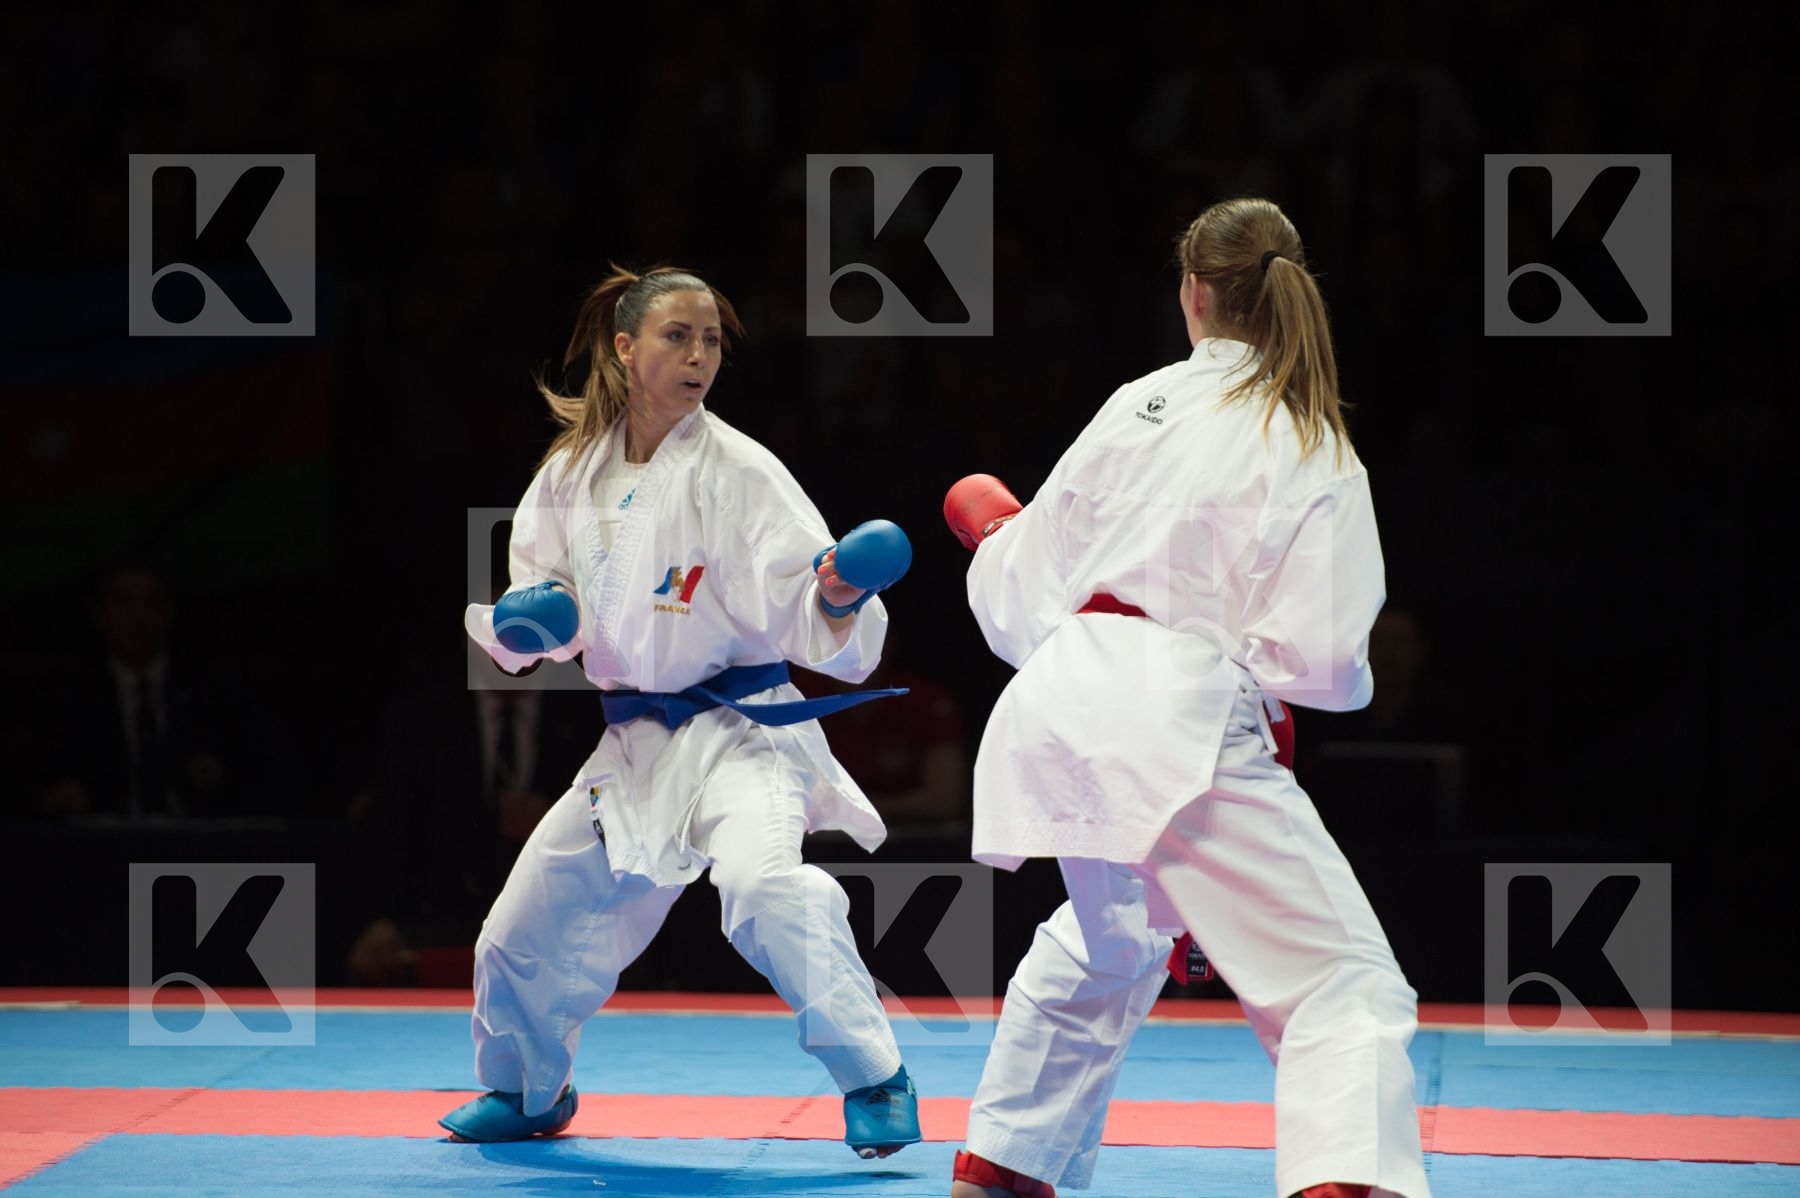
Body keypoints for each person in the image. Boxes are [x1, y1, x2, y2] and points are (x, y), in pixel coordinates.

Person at [942, 199, 1430, 1198]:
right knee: (1342, 984)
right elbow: (1327, 663)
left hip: (1064, 704)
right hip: (1171, 716)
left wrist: (993, 537)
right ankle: (1348, 1185)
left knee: (1112, 937)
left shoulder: (1136, 402)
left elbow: (1022, 595)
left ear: (1193, 294)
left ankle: (1002, 1163)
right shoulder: (1312, 437)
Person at [440, 265, 921, 1159]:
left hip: (742, 735)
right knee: (519, 927)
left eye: (710, 340)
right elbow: (539, 610)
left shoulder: (740, 469)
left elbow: (807, 603)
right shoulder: (570, 470)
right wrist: (532, 619)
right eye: (677, 336)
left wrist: (842, 592)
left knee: (764, 888)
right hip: (632, 746)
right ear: (625, 349)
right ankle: (526, 1088)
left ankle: (876, 1076)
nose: (699, 355)